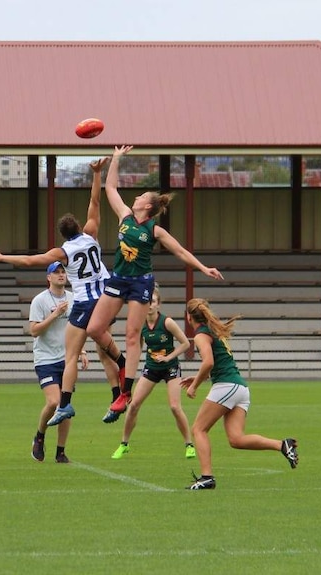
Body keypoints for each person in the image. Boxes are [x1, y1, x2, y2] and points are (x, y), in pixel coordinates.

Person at [86, 145, 225, 423]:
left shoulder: (154, 229)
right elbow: (111, 188)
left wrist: (202, 267)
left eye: (141, 195)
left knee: (132, 335)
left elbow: (181, 251)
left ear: (147, 205)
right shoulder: (125, 216)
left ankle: (125, 392)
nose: (135, 196)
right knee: (94, 328)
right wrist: (115, 158)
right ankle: (124, 364)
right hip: (119, 279)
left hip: (141, 284)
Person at [0, 158, 121, 426]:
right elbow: (94, 204)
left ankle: (66, 405)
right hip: (107, 297)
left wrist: (1, 257)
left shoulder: (62, 252)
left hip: (84, 302)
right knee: (103, 350)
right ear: (80, 228)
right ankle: (118, 395)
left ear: (61, 234)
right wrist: (96, 174)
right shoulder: (91, 235)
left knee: (71, 355)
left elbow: (28, 261)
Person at [181, 298, 298, 490]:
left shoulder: (201, 335)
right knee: (236, 439)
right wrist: (195, 378)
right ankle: (282, 445)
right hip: (240, 388)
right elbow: (218, 363)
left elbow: (209, 362)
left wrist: (195, 385)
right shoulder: (214, 332)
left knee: (198, 429)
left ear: (188, 317)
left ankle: (206, 477)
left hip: (226, 386)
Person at [111, 284, 195, 460]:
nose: (149, 305)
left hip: (170, 367)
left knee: (174, 406)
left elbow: (186, 344)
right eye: (147, 301)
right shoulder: (140, 323)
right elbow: (137, 347)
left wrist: (168, 357)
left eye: (153, 301)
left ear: (159, 304)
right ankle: (123, 444)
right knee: (133, 405)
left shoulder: (167, 322)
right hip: (151, 368)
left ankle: (189, 445)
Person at [27, 262, 87, 463]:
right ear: (49, 277)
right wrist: (55, 314)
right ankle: (40, 435)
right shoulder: (40, 301)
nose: (61, 275)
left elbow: (77, 328)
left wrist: (82, 350)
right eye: (56, 272)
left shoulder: (74, 298)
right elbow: (34, 330)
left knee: (65, 406)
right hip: (45, 359)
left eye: (63, 272)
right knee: (53, 402)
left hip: (67, 359)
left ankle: (60, 451)